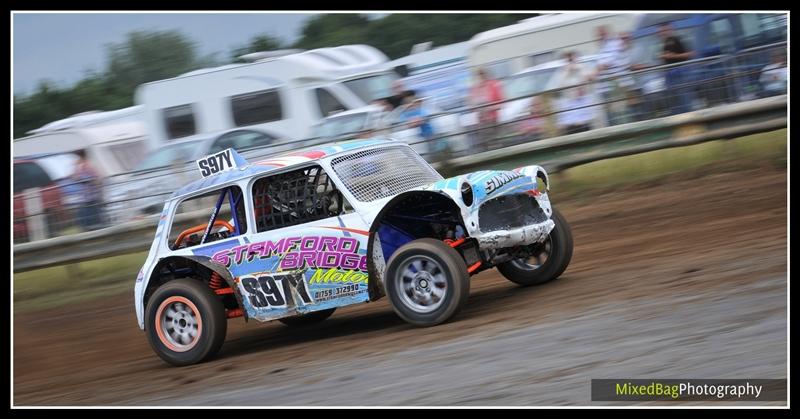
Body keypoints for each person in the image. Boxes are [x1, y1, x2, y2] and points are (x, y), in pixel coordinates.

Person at [658, 22, 694, 115]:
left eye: (665, 30)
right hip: (669, 75)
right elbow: (666, 58)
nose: (663, 33)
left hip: (680, 73)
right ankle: (678, 118)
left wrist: (673, 56)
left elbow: (691, 53)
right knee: (673, 100)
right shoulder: (664, 43)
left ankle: (689, 118)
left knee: (684, 98)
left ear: (671, 30)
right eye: (661, 31)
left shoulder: (678, 40)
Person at [468, 68, 504, 150]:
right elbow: (471, 105)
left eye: (482, 76)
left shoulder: (493, 85)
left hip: (492, 118)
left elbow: (502, 102)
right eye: (478, 76)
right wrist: (475, 107)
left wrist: (491, 108)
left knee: (494, 142)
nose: (480, 78)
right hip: (480, 120)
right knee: (484, 142)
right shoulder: (474, 89)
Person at [70, 149, 104, 231]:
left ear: (80, 157)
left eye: (76, 157)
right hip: (86, 197)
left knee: (91, 219)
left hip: (90, 197)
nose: (75, 160)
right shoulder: (82, 167)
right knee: (89, 218)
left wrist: (86, 181)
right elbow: (76, 177)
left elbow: (97, 180)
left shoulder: (88, 166)